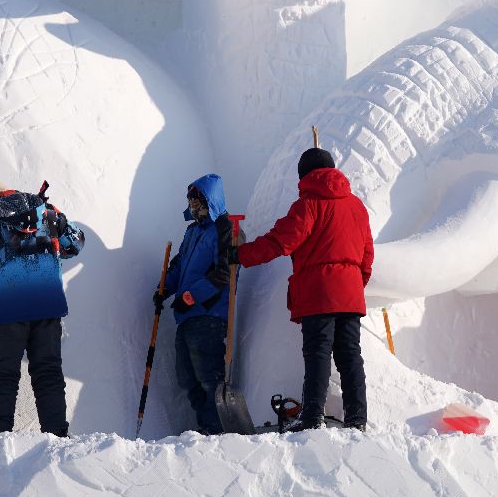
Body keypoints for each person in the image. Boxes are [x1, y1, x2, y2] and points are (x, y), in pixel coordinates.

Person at [232, 146, 373, 430]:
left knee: (318, 353)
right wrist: (356, 284)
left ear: (304, 175)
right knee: (350, 355)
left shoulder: (307, 205)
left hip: (318, 293)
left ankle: (312, 417)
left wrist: (240, 255)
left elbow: (279, 242)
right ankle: (357, 419)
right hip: (350, 294)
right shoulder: (356, 206)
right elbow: (367, 253)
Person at [0, 175, 85, 436]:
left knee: (3, 377)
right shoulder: (47, 213)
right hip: (47, 304)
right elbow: (76, 243)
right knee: (48, 374)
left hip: (7, 308)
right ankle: (57, 438)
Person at [153, 174, 235, 434]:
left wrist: (191, 297)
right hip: (187, 317)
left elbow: (223, 274)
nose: (193, 207)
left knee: (209, 377)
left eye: (198, 202)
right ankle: (206, 427)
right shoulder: (192, 232)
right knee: (187, 378)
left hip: (209, 315)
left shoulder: (224, 228)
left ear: (210, 201)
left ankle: (216, 430)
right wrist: (165, 288)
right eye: (191, 202)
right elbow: (179, 266)